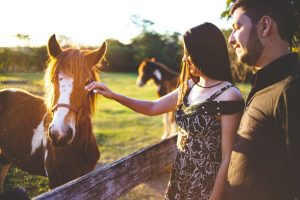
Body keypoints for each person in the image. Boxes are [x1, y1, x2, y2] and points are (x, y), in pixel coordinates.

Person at [85, 22, 244, 200]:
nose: (184, 59)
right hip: (180, 179)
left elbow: (226, 158)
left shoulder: (229, 95)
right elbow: (152, 107)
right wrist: (113, 95)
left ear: (203, 53)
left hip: (207, 186)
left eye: (188, 53)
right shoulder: (190, 86)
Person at [226, 0, 300, 199]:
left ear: (265, 26)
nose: (231, 39)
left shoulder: (291, 90)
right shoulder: (267, 85)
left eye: (237, 27)